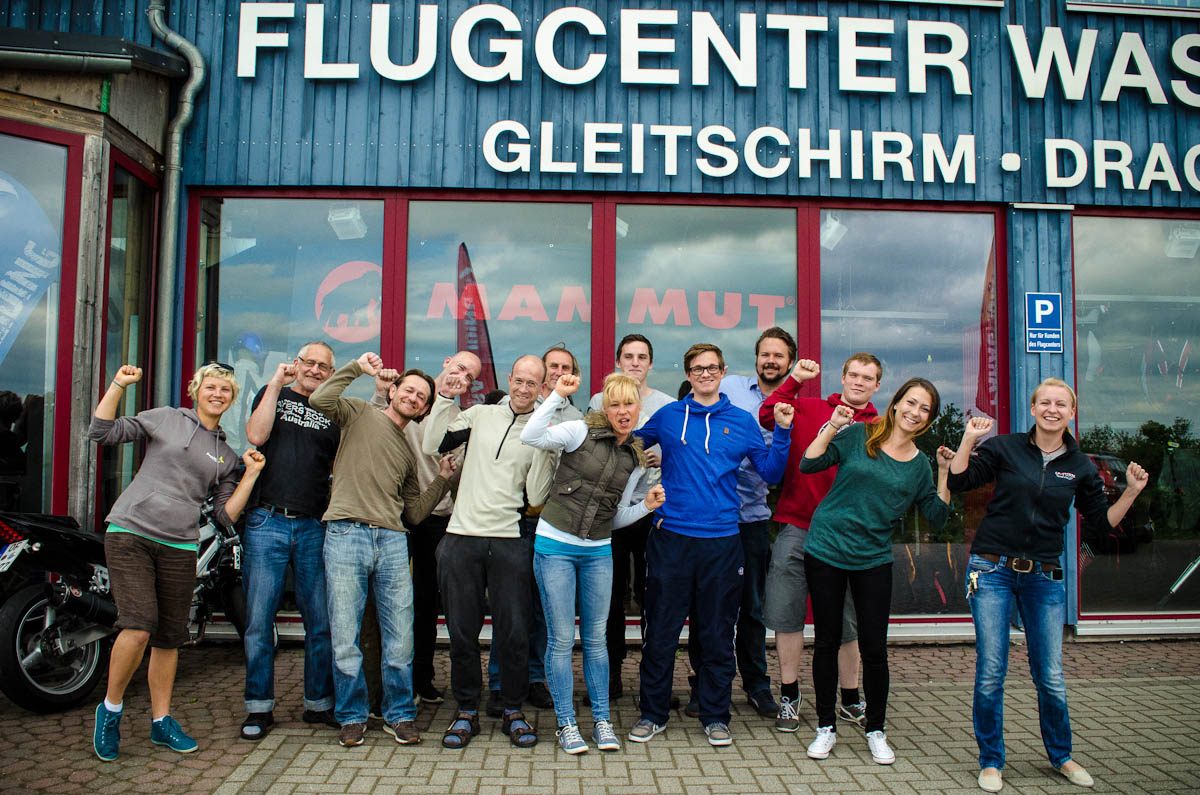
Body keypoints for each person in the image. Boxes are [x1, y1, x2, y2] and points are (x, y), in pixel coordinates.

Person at [948, 378, 1148, 793]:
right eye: (1045, 402)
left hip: (1044, 576)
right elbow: (959, 481)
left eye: (1061, 404)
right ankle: (991, 761)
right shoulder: (1004, 448)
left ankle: (1061, 756)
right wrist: (968, 439)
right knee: (991, 671)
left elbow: (1100, 525)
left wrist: (1130, 492)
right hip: (992, 569)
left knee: (1051, 674)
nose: (1052, 409)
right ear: (1033, 409)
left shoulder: (1081, 465)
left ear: (1072, 413)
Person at [90, 362, 265, 761]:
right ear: (195, 390)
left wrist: (251, 475)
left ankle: (161, 721)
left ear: (232, 399)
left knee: (170, 637)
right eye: (211, 386)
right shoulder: (167, 418)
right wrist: (118, 384)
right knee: (138, 626)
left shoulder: (225, 456)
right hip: (132, 532)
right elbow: (102, 432)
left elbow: (225, 515)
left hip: (180, 546)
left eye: (226, 390)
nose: (218, 394)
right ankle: (110, 711)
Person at [629, 343, 793, 748]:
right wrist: (636, 455)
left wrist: (784, 431)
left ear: (722, 372)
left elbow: (771, 472)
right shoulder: (669, 416)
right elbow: (627, 442)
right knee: (661, 632)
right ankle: (652, 714)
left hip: (722, 541)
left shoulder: (741, 420)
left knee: (718, 634)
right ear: (688, 374)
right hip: (671, 538)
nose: (705, 374)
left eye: (712, 368)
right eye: (698, 368)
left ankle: (716, 716)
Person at [799, 377, 951, 766]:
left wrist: (944, 472)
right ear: (896, 403)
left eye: (924, 409)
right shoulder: (859, 436)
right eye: (911, 403)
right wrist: (833, 425)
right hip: (827, 549)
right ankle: (825, 727)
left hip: (873, 559)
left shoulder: (919, 465)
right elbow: (809, 463)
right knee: (827, 641)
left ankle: (875, 730)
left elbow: (937, 517)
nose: (915, 413)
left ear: (929, 419)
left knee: (874, 648)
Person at [309, 353, 454, 748]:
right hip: (345, 533)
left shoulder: (408, 453)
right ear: (393, 391)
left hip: (391, 540)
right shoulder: (359, 413)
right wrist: (357, 368)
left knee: (400, 636)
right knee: (345, 634)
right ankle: (352, 716)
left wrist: (442, 480)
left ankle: (400, 714)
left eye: (421, 397)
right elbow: (320, 399)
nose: (413, 397)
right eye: (408, 390)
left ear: (424, 410)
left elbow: (416, 512)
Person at [520, 371, 666, 754]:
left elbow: (615, 517)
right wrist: (556, 395)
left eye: (629, 404)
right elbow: (531, 436)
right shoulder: (579, 431)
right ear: (605, 407)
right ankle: (566, 724)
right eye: (614, 404)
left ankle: (602, 721)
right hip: (555, 545)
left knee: (597, 640)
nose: (622, 411)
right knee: (561, 638)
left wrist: (645, 506)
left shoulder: (635, 457)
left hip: (598, 552)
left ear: (638, 408)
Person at [422, 355, 556, 750]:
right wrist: (445, 397)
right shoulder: (479, 415)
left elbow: (537, 494)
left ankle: (513, 709)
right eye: (520, 380)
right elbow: (431, 444)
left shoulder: (540, 429)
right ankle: (466, 711)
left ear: (542, 388)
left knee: (514, 633)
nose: (524, 388)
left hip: (509, 540)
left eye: (533, 383)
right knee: (462, 633)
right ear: (510, 379)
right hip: (461, 537)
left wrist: (544, 443)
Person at [760, 353, 883, 731]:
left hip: (848, 537)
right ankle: (789, 694)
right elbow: (767, 414)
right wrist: (795, 378)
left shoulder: (880, 428)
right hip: (798, 526)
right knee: (786, 614)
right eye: (854, 375)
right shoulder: (810, 408)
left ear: (877, 386)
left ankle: (850, 697)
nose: (859, 382)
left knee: (847, 622)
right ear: (842, 377)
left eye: (867, 378)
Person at [685, 327, 796, 719]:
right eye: (765, 354)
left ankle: (756, 685)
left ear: (790, 362)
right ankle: (702, 685)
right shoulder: (730, 386)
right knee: (705, 606)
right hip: (710, 517)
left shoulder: (797, 404)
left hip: (751, 519)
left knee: (751, 607)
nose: (770, 361)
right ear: (756, 357)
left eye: (778, 356)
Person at [239, 342, 341, 741]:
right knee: (258, 621)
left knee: (320, 621)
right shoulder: (274, 396)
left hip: (314, 525)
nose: (315, 370)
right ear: (296, 364)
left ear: (331, 374)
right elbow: (256, 434)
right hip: (268, 520)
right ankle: (258, 707)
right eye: (309, 363)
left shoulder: (333, 412)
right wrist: (274, 384)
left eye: (323, 366)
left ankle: (319, 704)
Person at [486, 343, 582, 714]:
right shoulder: (511, 407)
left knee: (545, 607)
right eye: (552, 366)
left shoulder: (576, 416)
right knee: (508, 606)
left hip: (553, 522)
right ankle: (500, 682)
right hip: (513, 519)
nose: (558, 372)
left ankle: (536, 679)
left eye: (565, 367)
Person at [588, 334, 674, 697]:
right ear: (618, 361)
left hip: (653, 512)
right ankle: (610, 675)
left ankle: (652, 680)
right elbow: (592, 448)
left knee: (652, 596)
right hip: (610, 512)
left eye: (642, 357)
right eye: (628, 356)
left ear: (650, 363)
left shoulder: (667, 405)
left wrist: (662, 456)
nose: (635, 362)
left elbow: (681, 452)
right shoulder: (599, 401)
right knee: (610, 598)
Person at [400, 351, 480, 705]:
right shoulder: (409, 395)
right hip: (396, 514)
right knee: (395, 600)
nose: (463, 376)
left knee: (426, 601)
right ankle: (392, 682)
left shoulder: (460, 419)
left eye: (470, 376)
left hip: (436, 517)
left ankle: (422, 676)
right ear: (446, 362)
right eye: (460, 367)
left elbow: (456, 473)